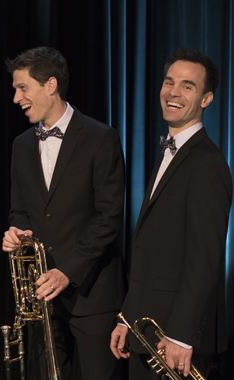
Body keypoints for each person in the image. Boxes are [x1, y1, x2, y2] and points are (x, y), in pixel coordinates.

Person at [2, 47, 125, 380]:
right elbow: (20, 210)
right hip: (42, 301)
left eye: (22, 87)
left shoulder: (102, 138)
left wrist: (67, 272)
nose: (15, 98)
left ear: (51, 85)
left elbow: (109, 217)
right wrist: (18, 232)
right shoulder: (21, 144)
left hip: (92, 297)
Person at [110, 47, 232, 379]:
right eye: (169, 82)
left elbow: (204, 260)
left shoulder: (207, 163)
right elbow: (152, 250)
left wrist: (181, 333)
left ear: (206, 99)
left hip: (174, 339)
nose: (173, 92)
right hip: (146, 330)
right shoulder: (170, 151)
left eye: (187, 86)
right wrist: (127, 316)